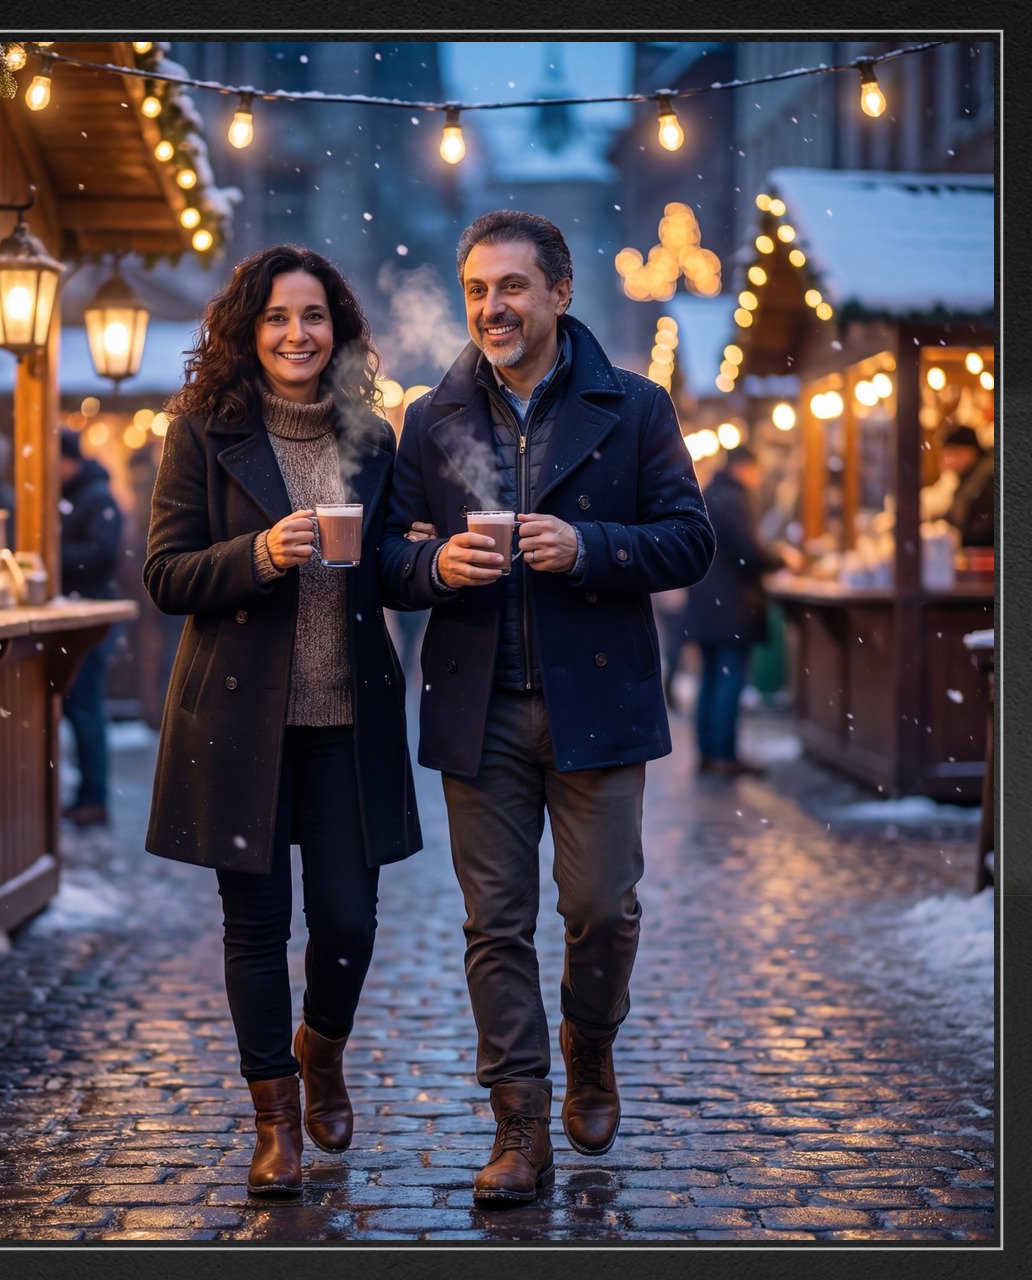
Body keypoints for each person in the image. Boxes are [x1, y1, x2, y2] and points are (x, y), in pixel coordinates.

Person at [382, 211, 713, 1206]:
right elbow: (389, 561)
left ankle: (591, 1040)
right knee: (496, 921)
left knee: (603, 906)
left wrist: (593, 547)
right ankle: (520, 1121)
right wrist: (433, 562)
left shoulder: (637, 406)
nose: (494, 307)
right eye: (479, 289)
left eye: (513, 287)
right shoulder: (429, 418)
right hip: (477, 706)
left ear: (560, 294)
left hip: (598, 703)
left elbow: (688, 541)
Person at [143, 245, 424, 1199]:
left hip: (349, 719)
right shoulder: (201, 432)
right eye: (276, 318)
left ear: (337, 331)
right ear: (247, 332)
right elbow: (166, 575)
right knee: (255, 925)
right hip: (237, 719)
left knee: (348, 920)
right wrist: (258, 553)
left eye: (313, 317)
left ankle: (322, 1048)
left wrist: (422, 556)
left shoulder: (373, 439)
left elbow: (383, 566)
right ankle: (274, 1122)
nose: (296, 335)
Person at [682, 446, 801, 777]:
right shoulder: (732, 498)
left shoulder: (709, 493)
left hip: (707, 604)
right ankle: (723, 754)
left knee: (710, 679)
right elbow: (747, 553)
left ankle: (708, 752)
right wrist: (780, 558)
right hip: (729, 607)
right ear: (745, 467)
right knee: (728, 679)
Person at [59, 427, 123, 829]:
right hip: (81, 614)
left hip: (91, 617)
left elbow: (102, 553)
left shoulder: (95, 497)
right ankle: (88, 795)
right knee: (81, 707)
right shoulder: (77, 496)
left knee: (85, 708)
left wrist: (51, 554)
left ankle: (94, 798)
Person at [940, 425, 995, 549]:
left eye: (951, 453)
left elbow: (985, 528)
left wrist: (958, 535)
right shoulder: (969, 478)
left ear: (968, 452)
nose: (946, 460)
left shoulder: (986, 478)